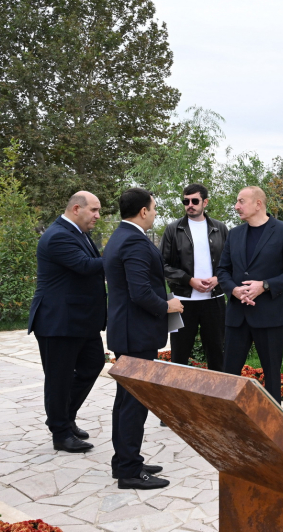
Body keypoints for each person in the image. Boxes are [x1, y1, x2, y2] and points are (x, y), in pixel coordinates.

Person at [104, 187, 182, 490]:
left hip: (128, 332)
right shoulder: (133, 241)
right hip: (135, 334)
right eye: (154, 207)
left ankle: (125, 461)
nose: (156, 213)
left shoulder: (120, 236)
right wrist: (167, 306)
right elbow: (140, 292)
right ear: (143, 211)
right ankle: (130, 471)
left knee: (126, 401)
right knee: (134, 404)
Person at [28, 191, 106, 453]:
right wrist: (119, 256)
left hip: (80, 320)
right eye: (93, 210)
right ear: (76, 208)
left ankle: (63, 416)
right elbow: (84, 266)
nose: (97, 216)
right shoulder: (59, 235)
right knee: (58, 379)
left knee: (92, 365)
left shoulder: (78, 233)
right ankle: (61, 434)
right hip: (58, 321)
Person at [217, 186, 283, 402]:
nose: (236, 206)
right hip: (237, 316)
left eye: (241, 201)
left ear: (258, 204)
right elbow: (222, 270)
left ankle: (274, 421)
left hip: (269, 316)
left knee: (272, 376)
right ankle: (228, 419)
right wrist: (234, 290)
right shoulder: (234, 234)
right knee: (229, 375)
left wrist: (264, 286)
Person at [160, 183, 229, 371]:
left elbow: (231, 262)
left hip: (214, 299)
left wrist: (218, 278)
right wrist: (188, 280)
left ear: (205, 202)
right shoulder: (173, 229)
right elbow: (162, 265)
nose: (190, 205)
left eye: (194, 201)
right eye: (186, 201)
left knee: (217, 353)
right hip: (180, 301)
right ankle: (177, 390)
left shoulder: (220, 228)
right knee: (179, 355)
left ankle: (216, 389)